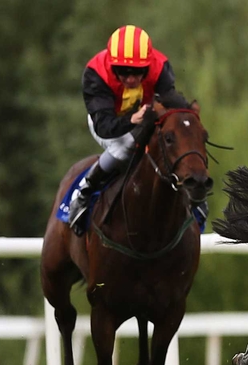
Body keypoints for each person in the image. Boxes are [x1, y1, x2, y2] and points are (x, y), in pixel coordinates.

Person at [68, 25, 176, 235]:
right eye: (123, 71)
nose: (130, 78)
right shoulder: (95, 74)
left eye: (137, 71)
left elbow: (171, 102)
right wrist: (131, 120)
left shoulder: (161, 66)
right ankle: (85, 190)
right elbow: (104, 127)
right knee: (126, 145)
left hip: (145, 118)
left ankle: (192, 197)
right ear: (111, 65)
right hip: (108, 122)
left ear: (150, 64)